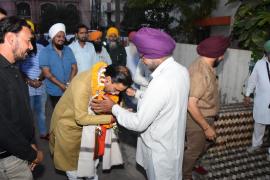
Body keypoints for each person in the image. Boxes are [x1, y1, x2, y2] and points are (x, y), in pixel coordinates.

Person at [91, 27, 190, 180]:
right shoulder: (181, 71)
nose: (141, 59)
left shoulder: (160, 83)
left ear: (155, 55)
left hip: (159, 151)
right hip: (172, 143)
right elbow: (166, 100)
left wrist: (114, 108)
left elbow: (138, 123)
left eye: (143, 55)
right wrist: (137, 93)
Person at [49, 64, 132, 180]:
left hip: (90, 129)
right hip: (69, 128)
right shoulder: (82, 84)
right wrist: (112, 118)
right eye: (116, 90)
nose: (117, 93)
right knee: (74, 170)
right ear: (107, 80)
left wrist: (117, 108)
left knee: (91, 164)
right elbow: (81, 118)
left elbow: (112, 100)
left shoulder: (107, 76)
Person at [0, 16, 43, 180]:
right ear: (11, 39)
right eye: (28, 41)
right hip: (8, 161)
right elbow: (3, 129)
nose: (31, 47)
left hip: (19, 152)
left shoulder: (13, 69)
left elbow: (21, 113)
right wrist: (32, 154)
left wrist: (30, 141)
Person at [183, 36, 230, 180]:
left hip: (205, 116)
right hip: (197, 119)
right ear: (219, 54)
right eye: (223, 53)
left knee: (207, 143)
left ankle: (193, 164)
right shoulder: (200, 72)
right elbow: (191, 104)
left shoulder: (206, 65)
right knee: (194, 150)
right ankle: (184, 175)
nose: (223, 57)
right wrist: (206, 127)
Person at [20, 29, 49, 141]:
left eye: (33, 36)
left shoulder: (42, 48)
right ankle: (29, 138)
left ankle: (43, 133)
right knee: (28, 114)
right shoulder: (22, 48)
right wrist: (30, 81)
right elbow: (19, 69)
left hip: (41, 86)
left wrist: (39, 79)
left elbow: (45, 66)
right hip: (27, 88)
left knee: (41, 113)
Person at [39, 23, 77, 108]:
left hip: (69, 89)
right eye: (58, 36)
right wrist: (62, 86)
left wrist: (69, 83)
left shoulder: (68, 50)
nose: (62, 39)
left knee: (70, 114)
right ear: (53, 37)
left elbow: (74, 67)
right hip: (55, 91)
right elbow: (47, 73)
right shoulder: (45, 52)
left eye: (63, 37)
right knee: (58, 116)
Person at [244, 40, 270, 157]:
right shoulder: (260, 64)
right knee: (259, 124)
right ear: (267, 53)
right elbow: (252, 80)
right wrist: (247, 95)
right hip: (263, 102)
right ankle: (256, 145)